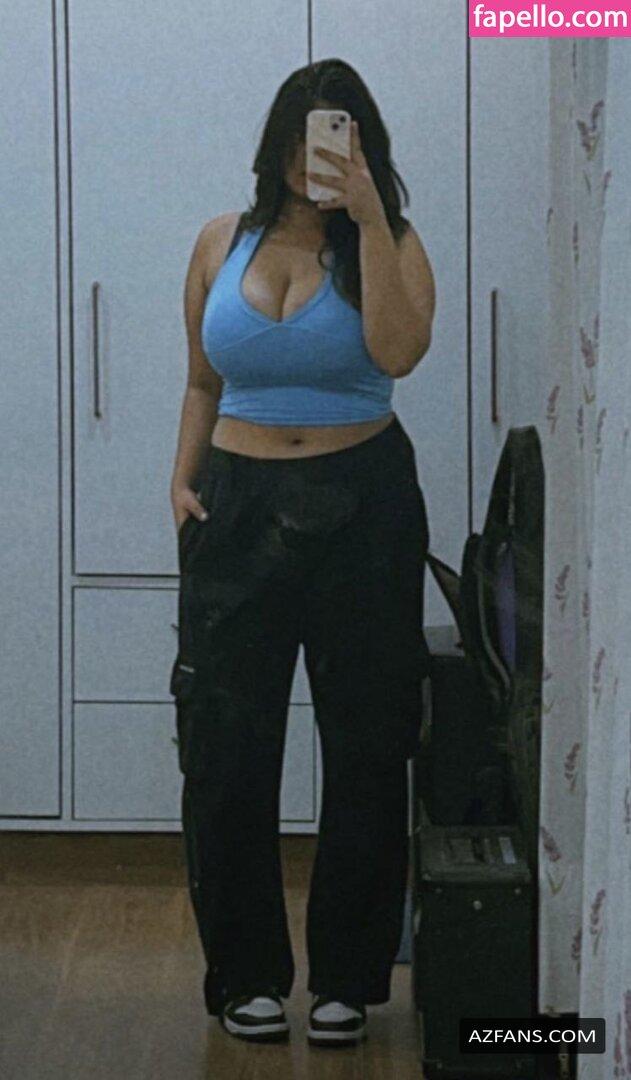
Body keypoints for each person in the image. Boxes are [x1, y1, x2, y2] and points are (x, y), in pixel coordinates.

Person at [169, 57, 435, 1047]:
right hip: (235, 506)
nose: (306, 156)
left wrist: (365, 216)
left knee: (365, 742)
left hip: (362, 504)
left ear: (361, 146)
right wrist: (181, 481)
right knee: (225, 746)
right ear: (274, 143)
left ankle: (346, 981)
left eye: (330, 137)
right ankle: (244, 975)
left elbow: (399, 354)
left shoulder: (390, 240)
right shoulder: (218, 241)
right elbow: (203, 381)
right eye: (296, 135)